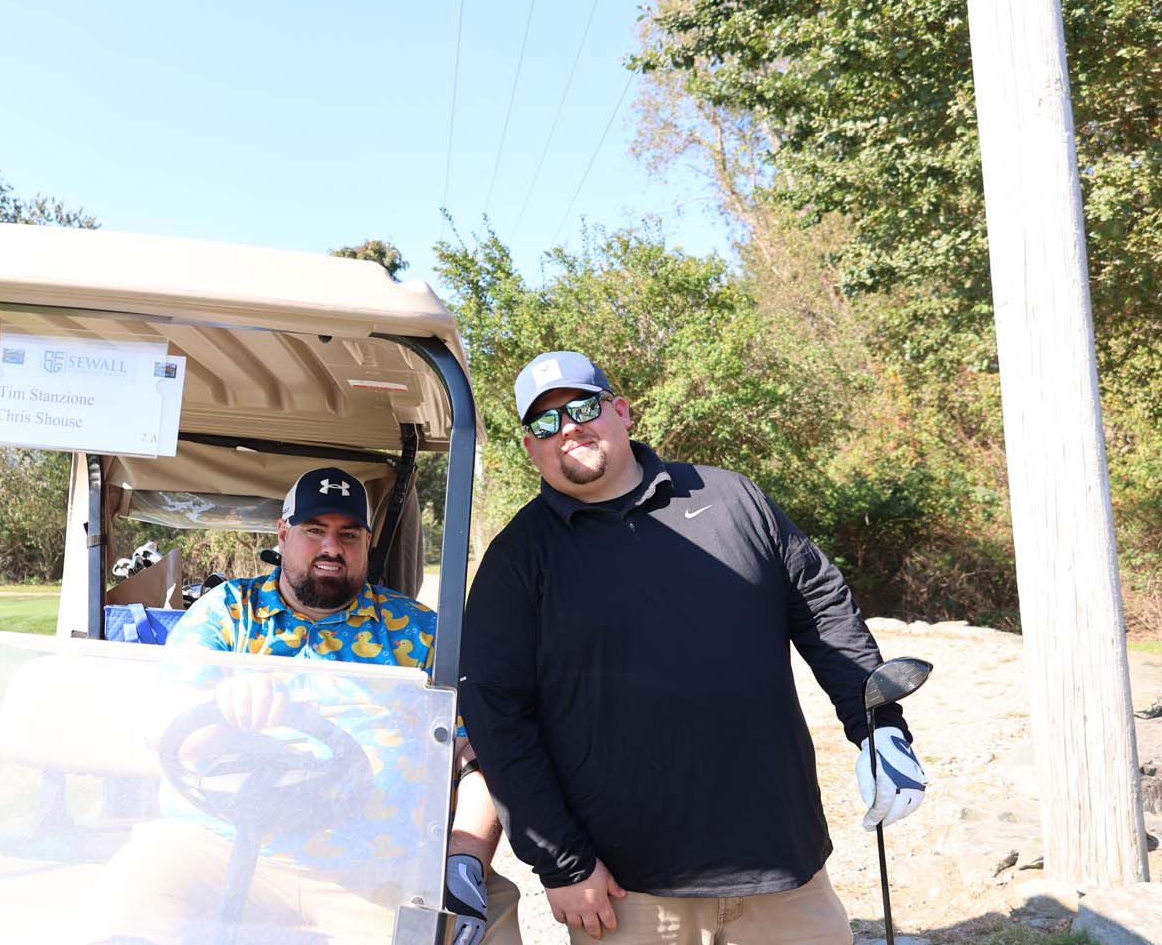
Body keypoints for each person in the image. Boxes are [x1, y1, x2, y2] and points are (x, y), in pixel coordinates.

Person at [457, 352, 927, 945]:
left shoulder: (732, 498)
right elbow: (497, 714)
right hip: (630, 895)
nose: (568, 428)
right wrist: (563, 863)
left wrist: (878, 727)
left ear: (621, 411)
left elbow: (822, 606)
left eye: (583, 408)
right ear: (531, 448)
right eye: (545, 422)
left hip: (784, 868)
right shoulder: (517, 557)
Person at [100, 466, 519, 945]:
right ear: (283, 533)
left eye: (349, 534)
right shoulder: (229, 612)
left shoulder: (421, 631)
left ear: (367, 542)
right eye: (315, 530)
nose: (331, 548)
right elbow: (167, 720)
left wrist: (465, 855)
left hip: (375, 869)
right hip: (218, 847)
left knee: (490, 924)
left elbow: (476, 753)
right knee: (128, 897)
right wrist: (221, 701)